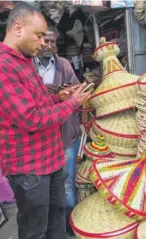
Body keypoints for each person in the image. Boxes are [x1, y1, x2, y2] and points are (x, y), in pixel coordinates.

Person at [0, 3, 92, 239]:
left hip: (50, 160)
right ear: (18, 28)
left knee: (55, 222)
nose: (44, 42)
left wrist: (56, 98)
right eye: (40, 35)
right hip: (30, 169)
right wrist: (72, 104)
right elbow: (30, 118)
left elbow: (36, 103)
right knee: (35, 230)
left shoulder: (23, 61)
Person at [33, 24, 81, 235]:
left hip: (64, 135)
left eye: (53, 41)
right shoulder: (28, 67)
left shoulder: (63, 65)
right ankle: (53, 226)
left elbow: (77, 91)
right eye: (46, 40)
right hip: (39, 138)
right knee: (44, 186)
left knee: (67, 183)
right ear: (39, 40)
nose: (49, 45)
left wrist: (70, 92)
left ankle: (68, 224)